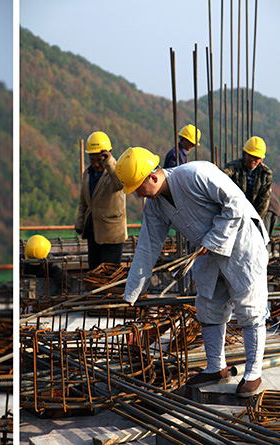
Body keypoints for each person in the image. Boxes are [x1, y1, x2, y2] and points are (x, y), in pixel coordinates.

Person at [115, 146, 269, 398]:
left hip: (242, 244)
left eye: (139, 188)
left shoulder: (197, 173)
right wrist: (131, 294)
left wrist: (214, 238)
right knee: (208, 305)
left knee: (250, 308)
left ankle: (253, 373)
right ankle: (216, 367)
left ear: (152, 177)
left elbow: (236, 204)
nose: (139, 195)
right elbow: (147, 246)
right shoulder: (154, 207)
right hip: (207, 251)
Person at [74, 131, 127, 270]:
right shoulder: (88, 174)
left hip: (111, 234)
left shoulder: (115, 171)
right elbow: (83, 202)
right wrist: (80, 222)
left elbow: (119, 184)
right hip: (93, 231)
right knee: (95, 272)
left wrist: (109, 161)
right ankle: (97, 293)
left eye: (100, 160)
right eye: (93, 160)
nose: (96, 164)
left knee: (109, 274)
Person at [223, 136, 273, 219]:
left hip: (254, 213)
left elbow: (263, 201)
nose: (253, 160)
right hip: (234, 210)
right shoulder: (234, 167)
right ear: (244, 153)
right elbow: (224, 175)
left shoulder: (265, 174)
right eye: (250, 156)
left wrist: (255, 220)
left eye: (256, 157)